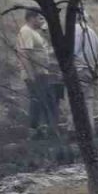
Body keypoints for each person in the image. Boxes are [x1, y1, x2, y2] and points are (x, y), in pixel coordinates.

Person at [16, 9, 61, 138]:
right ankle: (34, 130)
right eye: (40, 18)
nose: (42, 21)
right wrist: (31, 75)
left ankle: (43, 129)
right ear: (32, 18)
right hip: (35, 74)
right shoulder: (26, 31)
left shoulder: (35, 32)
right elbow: (24, 54)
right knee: (37, 101)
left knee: (44, 101)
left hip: (41, 73)